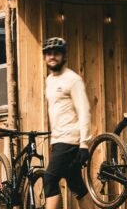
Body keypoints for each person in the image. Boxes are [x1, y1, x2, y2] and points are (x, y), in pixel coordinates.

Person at [41, 37, 94, 209]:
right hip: (59, 140)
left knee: (50, 178)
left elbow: (84, 111)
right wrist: (53, 141)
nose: (52, 57)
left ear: (64, 56)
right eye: (48, 53)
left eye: (56, 53)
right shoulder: (49, 81)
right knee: (75, 184)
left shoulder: (73, 79)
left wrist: (84, 143)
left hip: (70, 139)